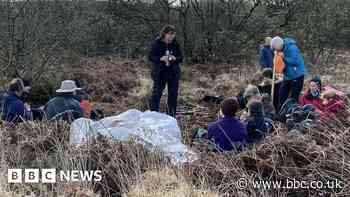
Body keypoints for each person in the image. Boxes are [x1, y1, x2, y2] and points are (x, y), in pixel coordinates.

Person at [148, 25, 183, 117]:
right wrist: (160, 58)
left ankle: (171, 116)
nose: (171, 36)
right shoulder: (157, 43)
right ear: (164, 34)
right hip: (160, 73)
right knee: (156, 94)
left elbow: (181, 57)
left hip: (173, 73)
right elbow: (150, 57)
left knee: (173, 95)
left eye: (173, 34)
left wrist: (175, 58)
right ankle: (153, 116)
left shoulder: (175, 44)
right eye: (169, 34)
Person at [271, 36, 307, 110]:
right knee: (281, 95)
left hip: (297, 75)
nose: (276, 50)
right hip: (287, 76)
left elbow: (296, 62)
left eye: (276, 49)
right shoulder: (280, 50)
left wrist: (284, 58)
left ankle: (294, 114)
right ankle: (280, 113)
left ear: (279, 46)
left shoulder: (292, 48)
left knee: (294, 98)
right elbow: (280, 64)